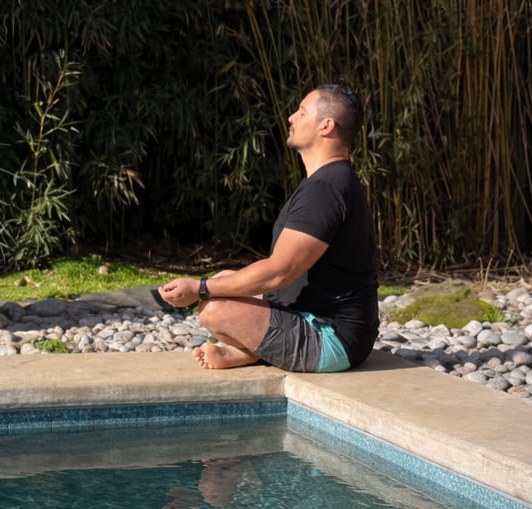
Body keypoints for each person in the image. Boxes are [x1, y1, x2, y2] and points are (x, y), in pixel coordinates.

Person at [159, 84, 379, 372]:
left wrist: (200, 288)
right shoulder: (329, 180)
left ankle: (250, 350)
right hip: (320, 317)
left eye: (302, 112)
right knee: (226, 278)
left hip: (333, 337)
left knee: (215, 307)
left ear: (326, 126)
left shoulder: (326, 189)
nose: (291, 117)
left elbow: (280, 271)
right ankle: (251, 351)